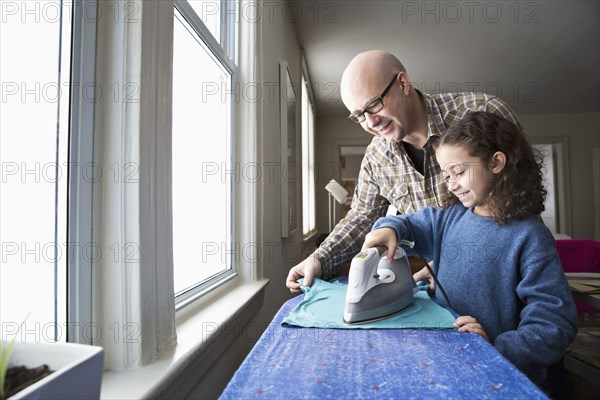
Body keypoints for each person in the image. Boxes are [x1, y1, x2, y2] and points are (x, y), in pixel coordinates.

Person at [362, 111, 578, 392]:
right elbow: (409, 224)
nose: (451, 184)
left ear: (496, 163)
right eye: (446, 174)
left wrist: (496, 347)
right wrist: (389, 228)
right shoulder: (451, 217)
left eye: (459, 172)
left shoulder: (530, 237)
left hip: (499, 376)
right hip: (448, 361)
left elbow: (555, 321)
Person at [286, 50, 526, 293]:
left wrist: (452, 263)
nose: (370, 122)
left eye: (373, 105)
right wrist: (318, 259)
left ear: (403, 84)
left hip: (503, 284)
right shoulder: (376, 157)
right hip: (441, 291)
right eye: (359, 115)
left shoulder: (484, 112)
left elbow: (523, 201)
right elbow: (361, 218)